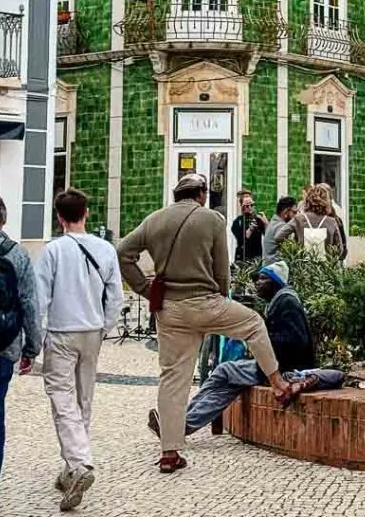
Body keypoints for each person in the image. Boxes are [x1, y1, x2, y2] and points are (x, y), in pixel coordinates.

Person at [118, 174, 292, 473]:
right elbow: (221, 269)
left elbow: (123, 251)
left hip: (170, 309)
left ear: (177, 194)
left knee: (173, 378)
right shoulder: (212, 220)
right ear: (201, 194)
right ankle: (278, 383)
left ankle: (169, 453)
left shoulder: (154, 220)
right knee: (253, 324)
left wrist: (144, 288)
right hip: (205, 302)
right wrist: (222, 297)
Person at [147, 261, 343, 439]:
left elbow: (296, 341)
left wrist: (259, 344)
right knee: (224, 385)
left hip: (284, 369)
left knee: (223, 373)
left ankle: (178, 426)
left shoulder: (287, 302)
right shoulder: (280, 301)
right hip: (273, 366)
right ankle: (180, 425)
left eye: (263, 279)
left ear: (276, 282)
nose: (258, 283)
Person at [35, 189, 123, 511]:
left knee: (62, 399)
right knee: (84, 399)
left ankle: (79, 463)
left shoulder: (52, 251)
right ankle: (72, 467)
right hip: (92, 332)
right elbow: (116, 296)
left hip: (61, 332)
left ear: (59, 217)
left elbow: (40, 300)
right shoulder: (105, 249)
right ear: (86, 213)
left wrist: (35, 338)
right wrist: (104, 327)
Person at [0, 193, 40, 513]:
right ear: (3, 220)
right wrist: (31, 348)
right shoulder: (17, 254)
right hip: (2, 346)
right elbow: (29, 305)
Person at [277, 185, 345, 258]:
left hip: (302, 266)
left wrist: (295, 248)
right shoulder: (331, 222)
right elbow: (340, 250)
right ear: (326, 201)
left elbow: (278, 236)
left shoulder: (298, 219)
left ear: (308, 200)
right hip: (325, 267)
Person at [230, 191, 267, 265]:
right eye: (247, 206)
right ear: (242, 206)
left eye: (252, 205)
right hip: (243, 259)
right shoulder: (238, 222)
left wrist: (266, 222)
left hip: (256, 258)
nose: (250, 208)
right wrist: (251, 229)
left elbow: (268, 235)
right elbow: (242, 239)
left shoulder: (258, 219)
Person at [261, 196, 298, 265]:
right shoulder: (281, 227)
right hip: (275, 269)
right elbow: (291, 251)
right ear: (285, 212)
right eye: (294, 212)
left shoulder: (274, 222)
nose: (296, 216)